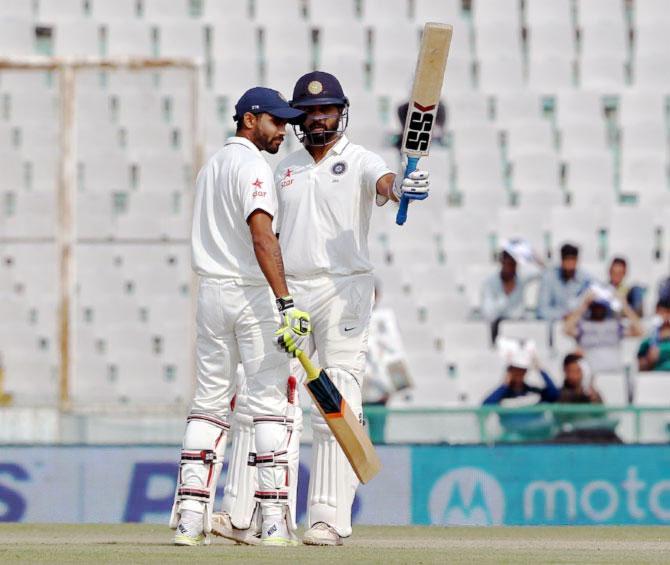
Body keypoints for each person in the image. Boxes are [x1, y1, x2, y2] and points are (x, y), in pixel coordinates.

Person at [274, 70, 431, 545]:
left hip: (346, 291)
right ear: (299, 117)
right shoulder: (284, 167)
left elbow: (383, 183)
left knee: (336, 398)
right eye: (311, 110)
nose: (320, 117)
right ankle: (266, 514)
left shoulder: (360, 158)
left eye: (328, 109)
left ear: (341, 112)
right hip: (292, 292)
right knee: (272, 400)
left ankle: (326, 517)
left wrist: (403, 188)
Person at [169, 87, 311, 547]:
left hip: (210, 294)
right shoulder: (253, 166)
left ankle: (190, 519)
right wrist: (286, 303)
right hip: (249, 296)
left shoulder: (211, 166)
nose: (284, 132)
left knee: (209, 403)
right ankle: (272, 521)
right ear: (250, 120)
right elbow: (262, 237)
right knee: (269, 405)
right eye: (276, 122)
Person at [563, 285, 643, 375]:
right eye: (595, 306)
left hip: (613, 373)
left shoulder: (615, 325)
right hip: (591, 372)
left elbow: (640, 331)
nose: (598, 309)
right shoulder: (583, 326)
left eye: (601, 307)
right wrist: (584, 304)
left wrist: (624, 305)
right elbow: (566, 330)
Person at [480, 238, 540, 343]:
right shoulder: (489, 284)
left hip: (520, 328)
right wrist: (505, 299)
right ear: (502, 263)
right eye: (507, 263)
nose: (509, 268)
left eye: (513, 264)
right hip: (498, 331)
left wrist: (527, 252)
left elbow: (543, 271)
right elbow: (488, 313)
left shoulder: (521, 278)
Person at [537, 243, 591, 321]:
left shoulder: (586, 279)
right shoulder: (549, 277)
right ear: (562, 260)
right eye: (567, 259)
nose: (570, 263)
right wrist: (564, 316)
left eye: (572, 259)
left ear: (577, 260)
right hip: (556, 326)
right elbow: (542, 311)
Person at [638, 297, 670, 371]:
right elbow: (641, 368)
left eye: (668, 312)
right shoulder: (649, 340)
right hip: (657, 378)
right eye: (662, 312)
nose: (666, 316)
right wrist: (649, 360)